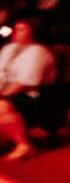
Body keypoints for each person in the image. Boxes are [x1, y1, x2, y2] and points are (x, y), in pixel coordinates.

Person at [0, 20, 55, 161]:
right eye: (16, 29)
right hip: (7, 91)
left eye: (22, 29)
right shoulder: (8, 49)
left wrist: (3, 95)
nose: (16, 33)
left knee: (2, 106)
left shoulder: (38, 52)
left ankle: (24, 144)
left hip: (31, 96)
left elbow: (26, 83)